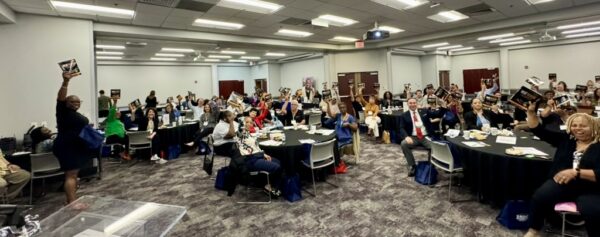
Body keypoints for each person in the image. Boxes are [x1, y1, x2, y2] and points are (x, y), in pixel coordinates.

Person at [524, 103, 600, 237]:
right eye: (575, 125)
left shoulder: (598, 146)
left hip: (592, 188)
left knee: (594, 211)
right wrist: (531, 113)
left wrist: (575, 172)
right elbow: (538, 130)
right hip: (563, 182)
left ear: (593, 127)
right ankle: (533, 230)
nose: (578, 129)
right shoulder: (566, 139)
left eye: (583, 126)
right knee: (539, 196)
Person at [53, 71, 96, 204]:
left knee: (73, 174)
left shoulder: (74, 114)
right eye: (72, 101)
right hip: (67, 146)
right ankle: (72, 203)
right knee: (71, 175)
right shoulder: (63, 111)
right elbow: (60, 97)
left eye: (78, 101)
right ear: (66, 102)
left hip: (75, 146)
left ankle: (72, 199)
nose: (76, 103)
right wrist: (66, 82)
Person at [399, 98, 442, 177]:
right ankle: (412, 166)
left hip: (425, 136)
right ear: (408, 104)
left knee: (435, 146)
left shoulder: (424, 112)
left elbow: (437, 114)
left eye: (414, 103)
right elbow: (401, 128)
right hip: (413, 137)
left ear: (417, 103)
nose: (412, 104)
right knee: (404, 144)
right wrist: (406, 136)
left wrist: (442, 106)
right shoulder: (404, 115)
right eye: (410, 103)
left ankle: (431, 165)